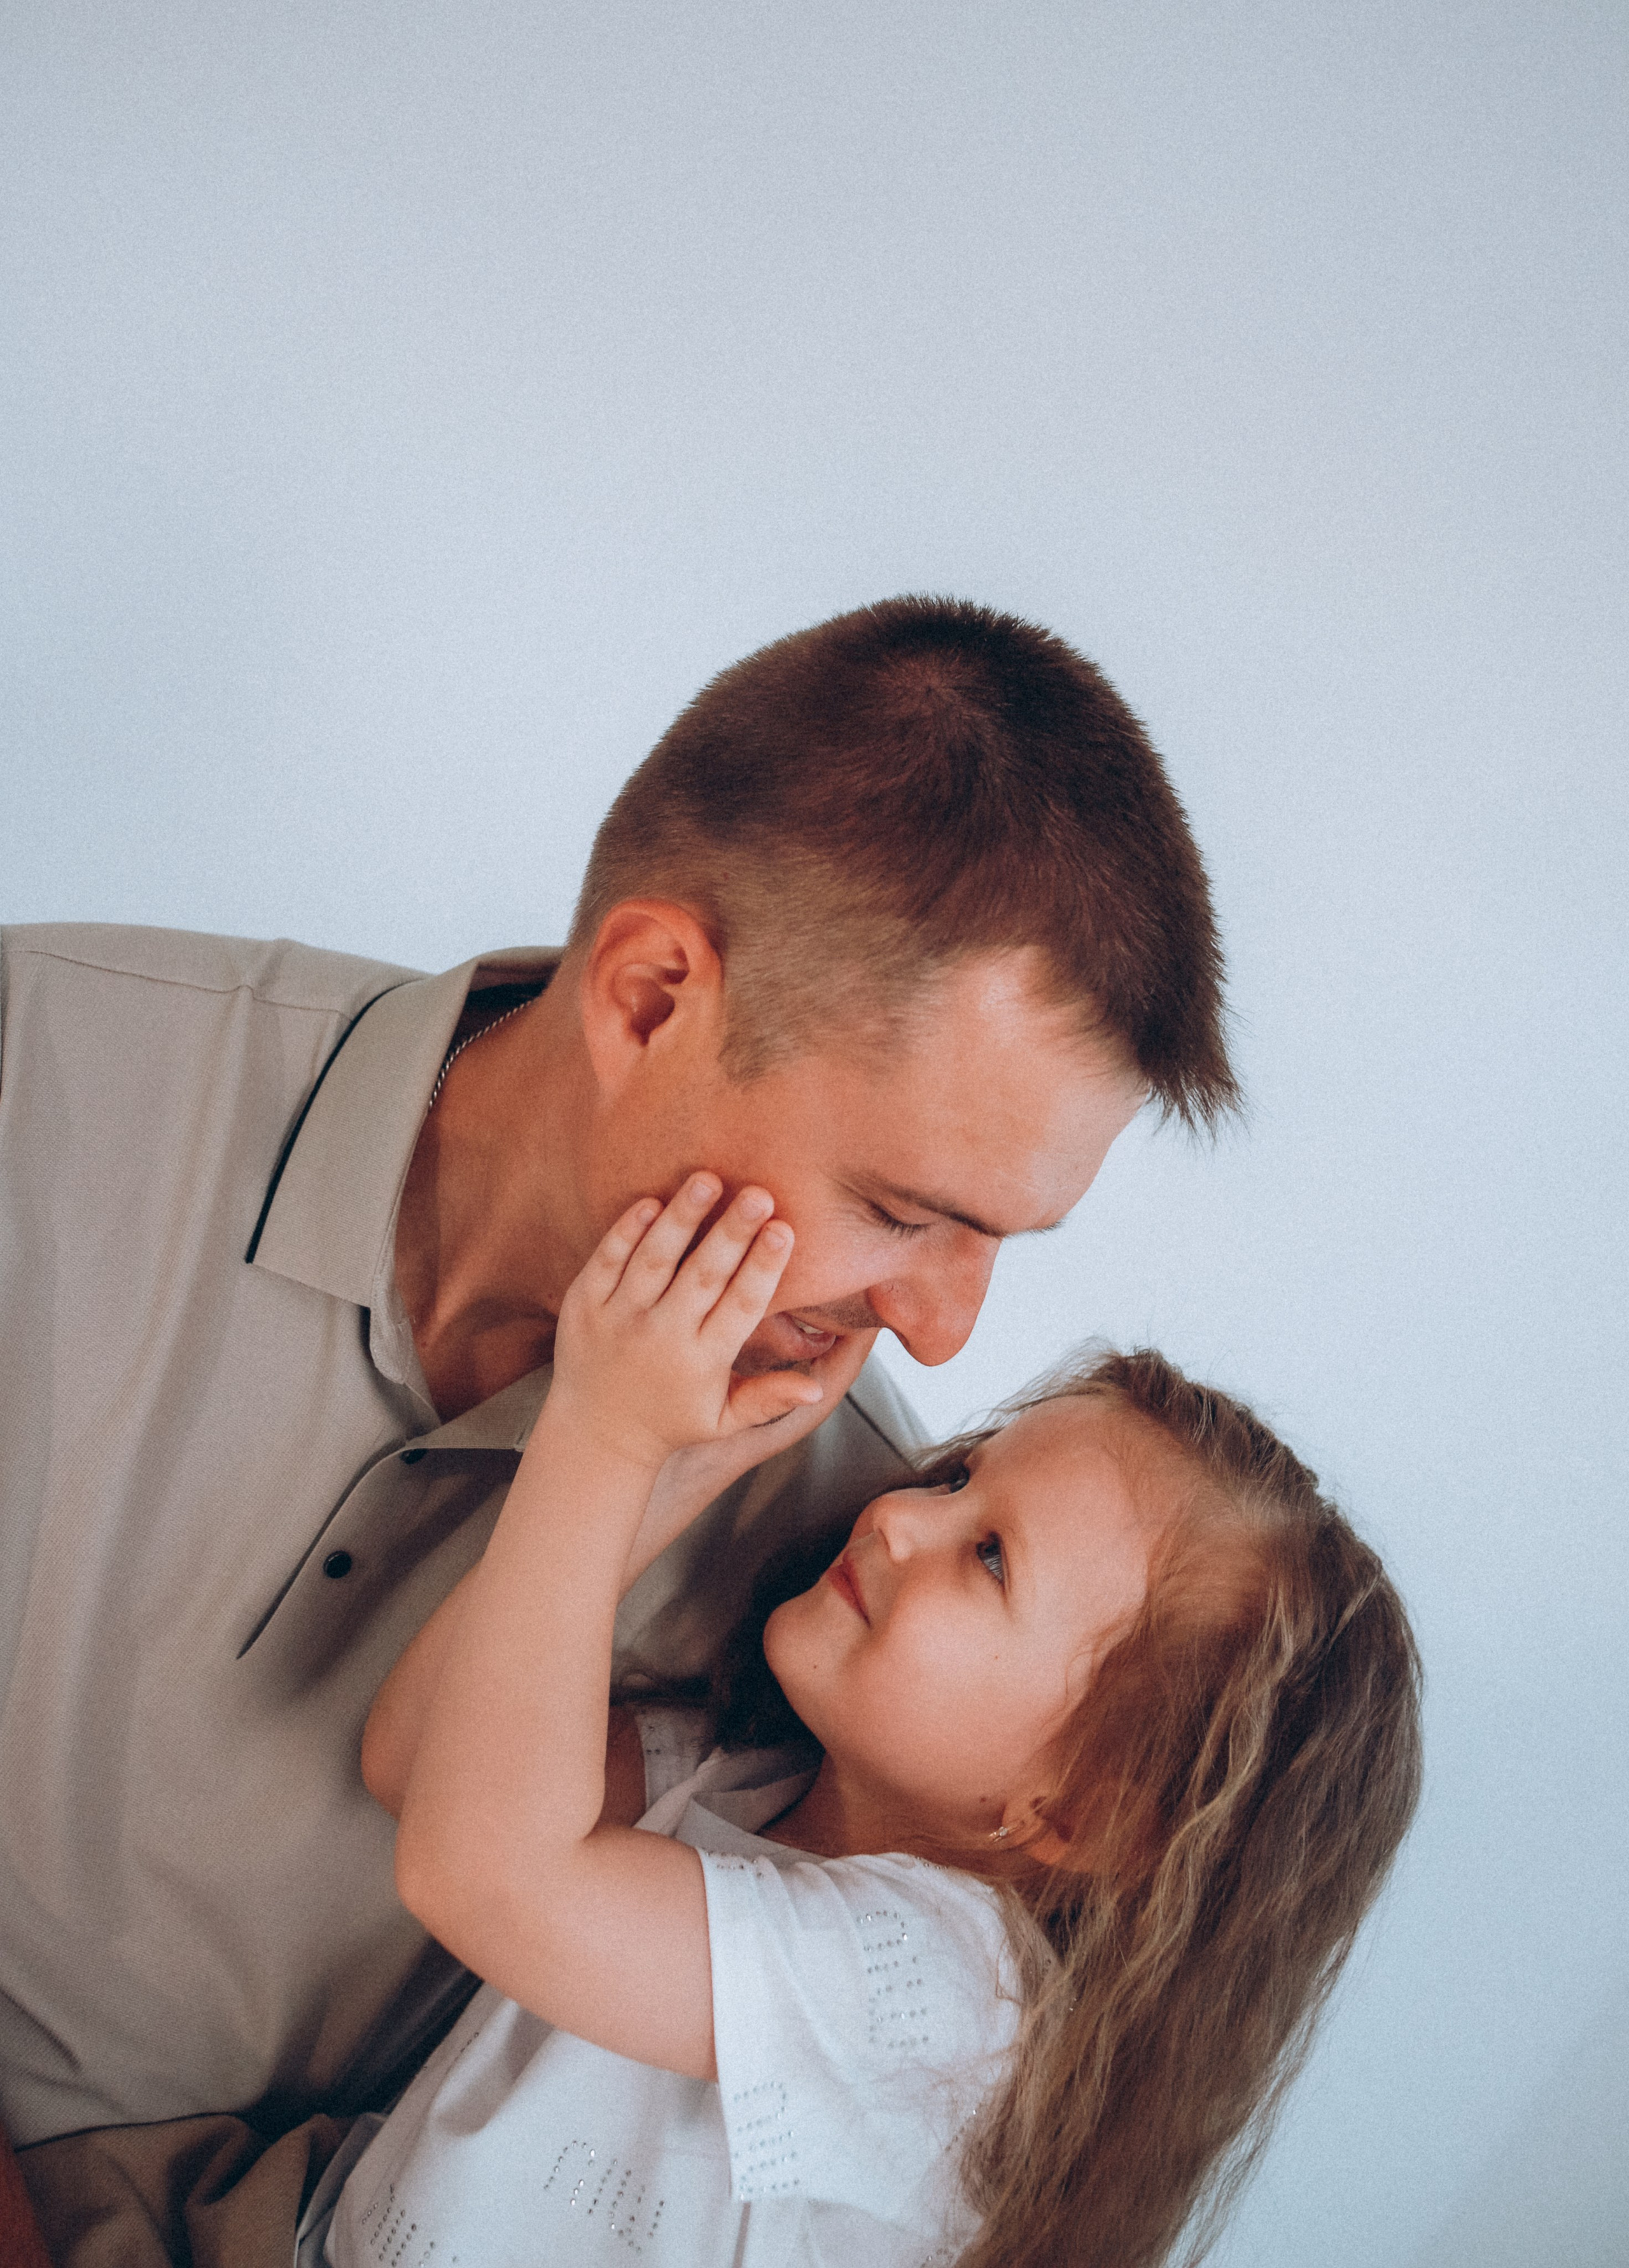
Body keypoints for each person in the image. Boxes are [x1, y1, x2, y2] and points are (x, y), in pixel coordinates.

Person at [1, 597, 1238, 2252]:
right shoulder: (48, 1067)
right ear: (653, 995)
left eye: (1004, 1238)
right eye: (900, 1206)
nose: (946, 1331)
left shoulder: (841, 1564)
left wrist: (648, 1450)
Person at [297, 1175, 1421, 2268]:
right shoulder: (760, 1778)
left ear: (1082, 1814)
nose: (894, 1517)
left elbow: (481, 1874)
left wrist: (606, 1429)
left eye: (988, 1558)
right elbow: (419, 1765)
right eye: (957, 1482)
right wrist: (695, 1465)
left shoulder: (947, 2005)